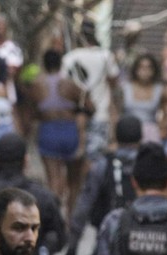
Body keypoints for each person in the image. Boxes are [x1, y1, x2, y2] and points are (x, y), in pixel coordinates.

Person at [66, 114, 144, 255]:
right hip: (145, 238)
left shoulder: (102, 165)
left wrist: (73, 244)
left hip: (108, 237)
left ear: (115, 136)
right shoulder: (149, 162)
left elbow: (84, 205)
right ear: (141, 137)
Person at [29, 48, 86, 215]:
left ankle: (53, 219)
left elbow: (32, 112)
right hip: (70, 131)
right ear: (61, 64)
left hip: (48, 132)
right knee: (74, 181)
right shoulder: (71, 84)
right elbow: (89, 106)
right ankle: (70, 219)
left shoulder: (36, 85)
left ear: (44, 64)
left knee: (53, 180)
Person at [62, 22, 121, 178]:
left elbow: (63, 86)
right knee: (94, 163)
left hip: (74, 117)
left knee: (73, 167)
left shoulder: (69, 58)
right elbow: (114, 83)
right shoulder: (105, 56)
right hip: (99, 115)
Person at [119, 54, 165, 142]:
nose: (145, 71)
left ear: (154, 70)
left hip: (150, 135)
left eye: (149, 67)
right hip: (127, 134)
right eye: (141, 67)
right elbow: (116, 112)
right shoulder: (125, 88)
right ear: (135, 69)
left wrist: (163, 125)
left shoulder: (159, 89)